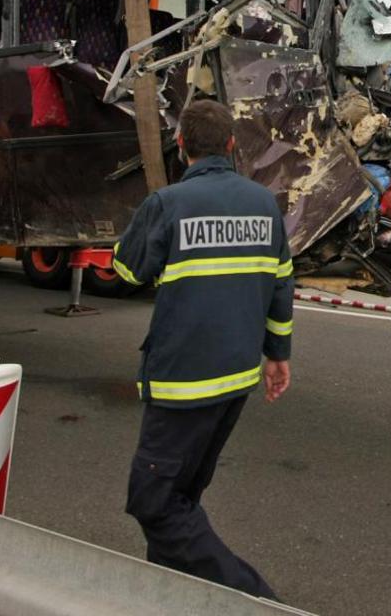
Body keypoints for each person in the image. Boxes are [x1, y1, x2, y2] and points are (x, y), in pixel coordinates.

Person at [109, 99, 292, 599]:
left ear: (182, 145)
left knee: (153, 502)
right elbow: (281, 284)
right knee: (181, 497)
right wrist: (279, 354)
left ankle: (254, 599)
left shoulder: (168, 204)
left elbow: (125, 270)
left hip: (182, 384)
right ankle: (168, 596)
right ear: (232, 145)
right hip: (235, 380)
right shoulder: (264, 205)